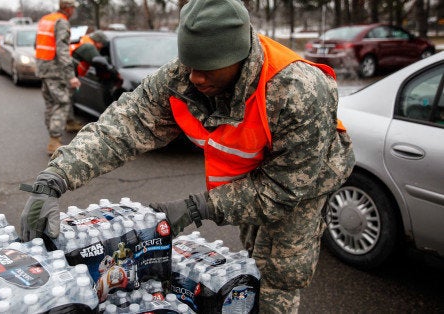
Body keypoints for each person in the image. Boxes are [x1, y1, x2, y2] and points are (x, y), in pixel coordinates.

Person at [20, 0, 355, 311]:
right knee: (252, 254)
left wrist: (200, 206)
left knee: (278, 273)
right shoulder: (183, 76)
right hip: (250, 169)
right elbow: (122, 126)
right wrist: (54, 178)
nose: (196, 77)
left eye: (208, 68)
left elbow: (284, 189)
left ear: (239, 58)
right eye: (190, 64)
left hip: (302, 179)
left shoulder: (299, 89)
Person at [35, 0, 82, 155]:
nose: (74, 11)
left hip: (43, 67)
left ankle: (55, 132)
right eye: (73, 8)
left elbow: (37, 44)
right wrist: (71, 76)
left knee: (50, 103)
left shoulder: (46, 19)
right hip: (55, 70)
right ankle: (54, 141)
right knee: (62, 103)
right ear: (68, 8)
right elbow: (63, 51)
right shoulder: (62, 22)